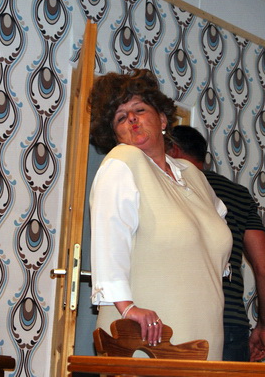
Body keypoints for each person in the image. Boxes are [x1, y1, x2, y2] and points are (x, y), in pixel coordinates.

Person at [88, 69, 233, 361]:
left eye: (139, 110)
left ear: (163, 120)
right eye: (121, 118)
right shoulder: (123, 161)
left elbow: (216, 231)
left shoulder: (191, 174)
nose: (132, 119)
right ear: (115, 135)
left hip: (205, 330)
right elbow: (108, 239)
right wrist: (127, 308)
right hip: (147, 334)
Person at [168, 125, 265, 362]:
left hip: (178, 317)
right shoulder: (238, 194)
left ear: (173, 150)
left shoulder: (168, 186)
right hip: (230, 321)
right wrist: (264, 327)